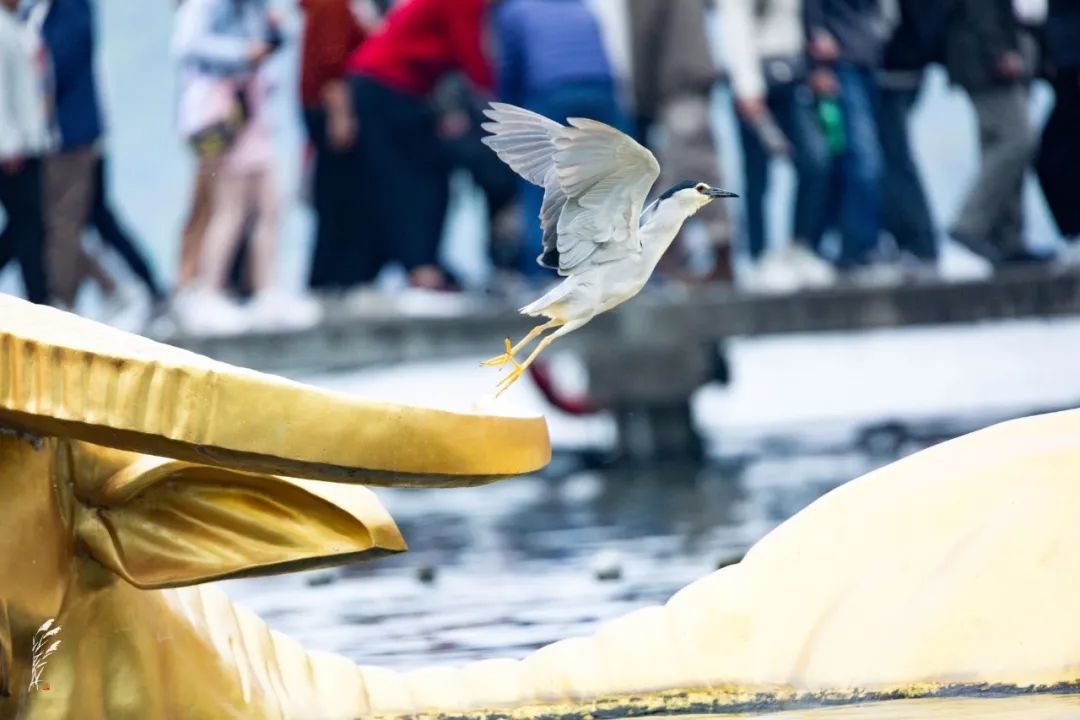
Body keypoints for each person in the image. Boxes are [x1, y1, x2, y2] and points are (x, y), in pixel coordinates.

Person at [173, 0, 320, 334]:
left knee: (270, 206)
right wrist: (243, 52)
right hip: (227, 110)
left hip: (254, 107)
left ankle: (267, 290)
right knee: (231, 209)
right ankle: (209, 292)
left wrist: (272, 32)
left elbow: (274, 43)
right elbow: (187, 44)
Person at [343, 0, 494, 291]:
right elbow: (470, 56)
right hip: (386, 86)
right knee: (417, 178)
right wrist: (506, 104)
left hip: (391, 87)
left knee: (416, 175)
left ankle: (421, 263)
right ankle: (420, 268)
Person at [493, 0, 622, 279]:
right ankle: (609, 266)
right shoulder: (582, 7)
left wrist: (507, 113)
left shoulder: (515, 11)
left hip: (550, 91)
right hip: (602, 93)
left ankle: (539, 271)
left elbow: (510, 68)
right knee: (606, 184)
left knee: (542, 182)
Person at [719, 0, 835, 292]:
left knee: (815, 161)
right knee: (758, 175)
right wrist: (746, 86)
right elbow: (734, 23)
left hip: (794, 74)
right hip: (756, 78)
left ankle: (801, 245)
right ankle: (760, 254)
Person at [629, 0, 734, 283]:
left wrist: (639, 101)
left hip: (678, 81)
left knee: (692, 172)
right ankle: (695, 257)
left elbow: (642, 38)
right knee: (688, 168)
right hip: (695, 75)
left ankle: (717, 258)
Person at [34, 0, 124, 309]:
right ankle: (110, 288)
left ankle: (65, 300)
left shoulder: (70, 8)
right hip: (50, 137)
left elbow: (57, 64)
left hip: (70, 135)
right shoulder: (42, 10)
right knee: (52, 221)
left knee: (63, 221)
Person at [944, 0, 1041, 266]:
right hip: (987, 57)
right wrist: (999, 50)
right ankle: (971, 224)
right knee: (1018, 140)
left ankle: (1007, 238)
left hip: (997, 51)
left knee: (1000, 144)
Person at [803, 0, 895, 272]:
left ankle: (853, 246)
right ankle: (859, 247)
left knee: (859, 160)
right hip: (839, 64)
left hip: (865, 61)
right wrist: (817, 62)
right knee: (861, 161)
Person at [875, 0, 953, 273]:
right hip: (894, 64)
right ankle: (908, 241)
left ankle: (920, 243)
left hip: (897, 66)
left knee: (894, 158)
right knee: (887, 159)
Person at [299, 0, 369, 291]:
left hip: (322, 106)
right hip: (330, 106)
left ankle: (330, 275)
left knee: (334, 195)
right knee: (338, 197)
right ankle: (329, 277)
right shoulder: (332, 6)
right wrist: (341, 115)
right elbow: (331, 64)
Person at [0, 0, 51, 305]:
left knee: (29, 223)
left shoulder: (14, 23)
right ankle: (40, 298)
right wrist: (9, 145)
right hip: (11, 150)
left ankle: (40, 297)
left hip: (26, 144)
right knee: (27, 224)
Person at [1036, 0, 1080, 250]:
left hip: (1072, 65)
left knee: (1054, 156)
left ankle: (1075, 231)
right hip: (1064, 66)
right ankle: (1073, 232)